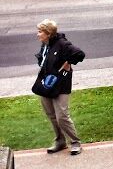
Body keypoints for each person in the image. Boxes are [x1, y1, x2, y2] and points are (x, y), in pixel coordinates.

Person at [33, 19, 85, 155]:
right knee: (51, 115)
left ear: (48, 33)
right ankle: (60, 141)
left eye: (40, 32)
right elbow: (43, 59)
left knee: (61, 115)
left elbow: (79, 54)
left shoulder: (62, 43)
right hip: (46, 83)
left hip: (61, 84)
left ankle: (75, 142)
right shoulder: (45, 44)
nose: (37, 34)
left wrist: (68, 63)